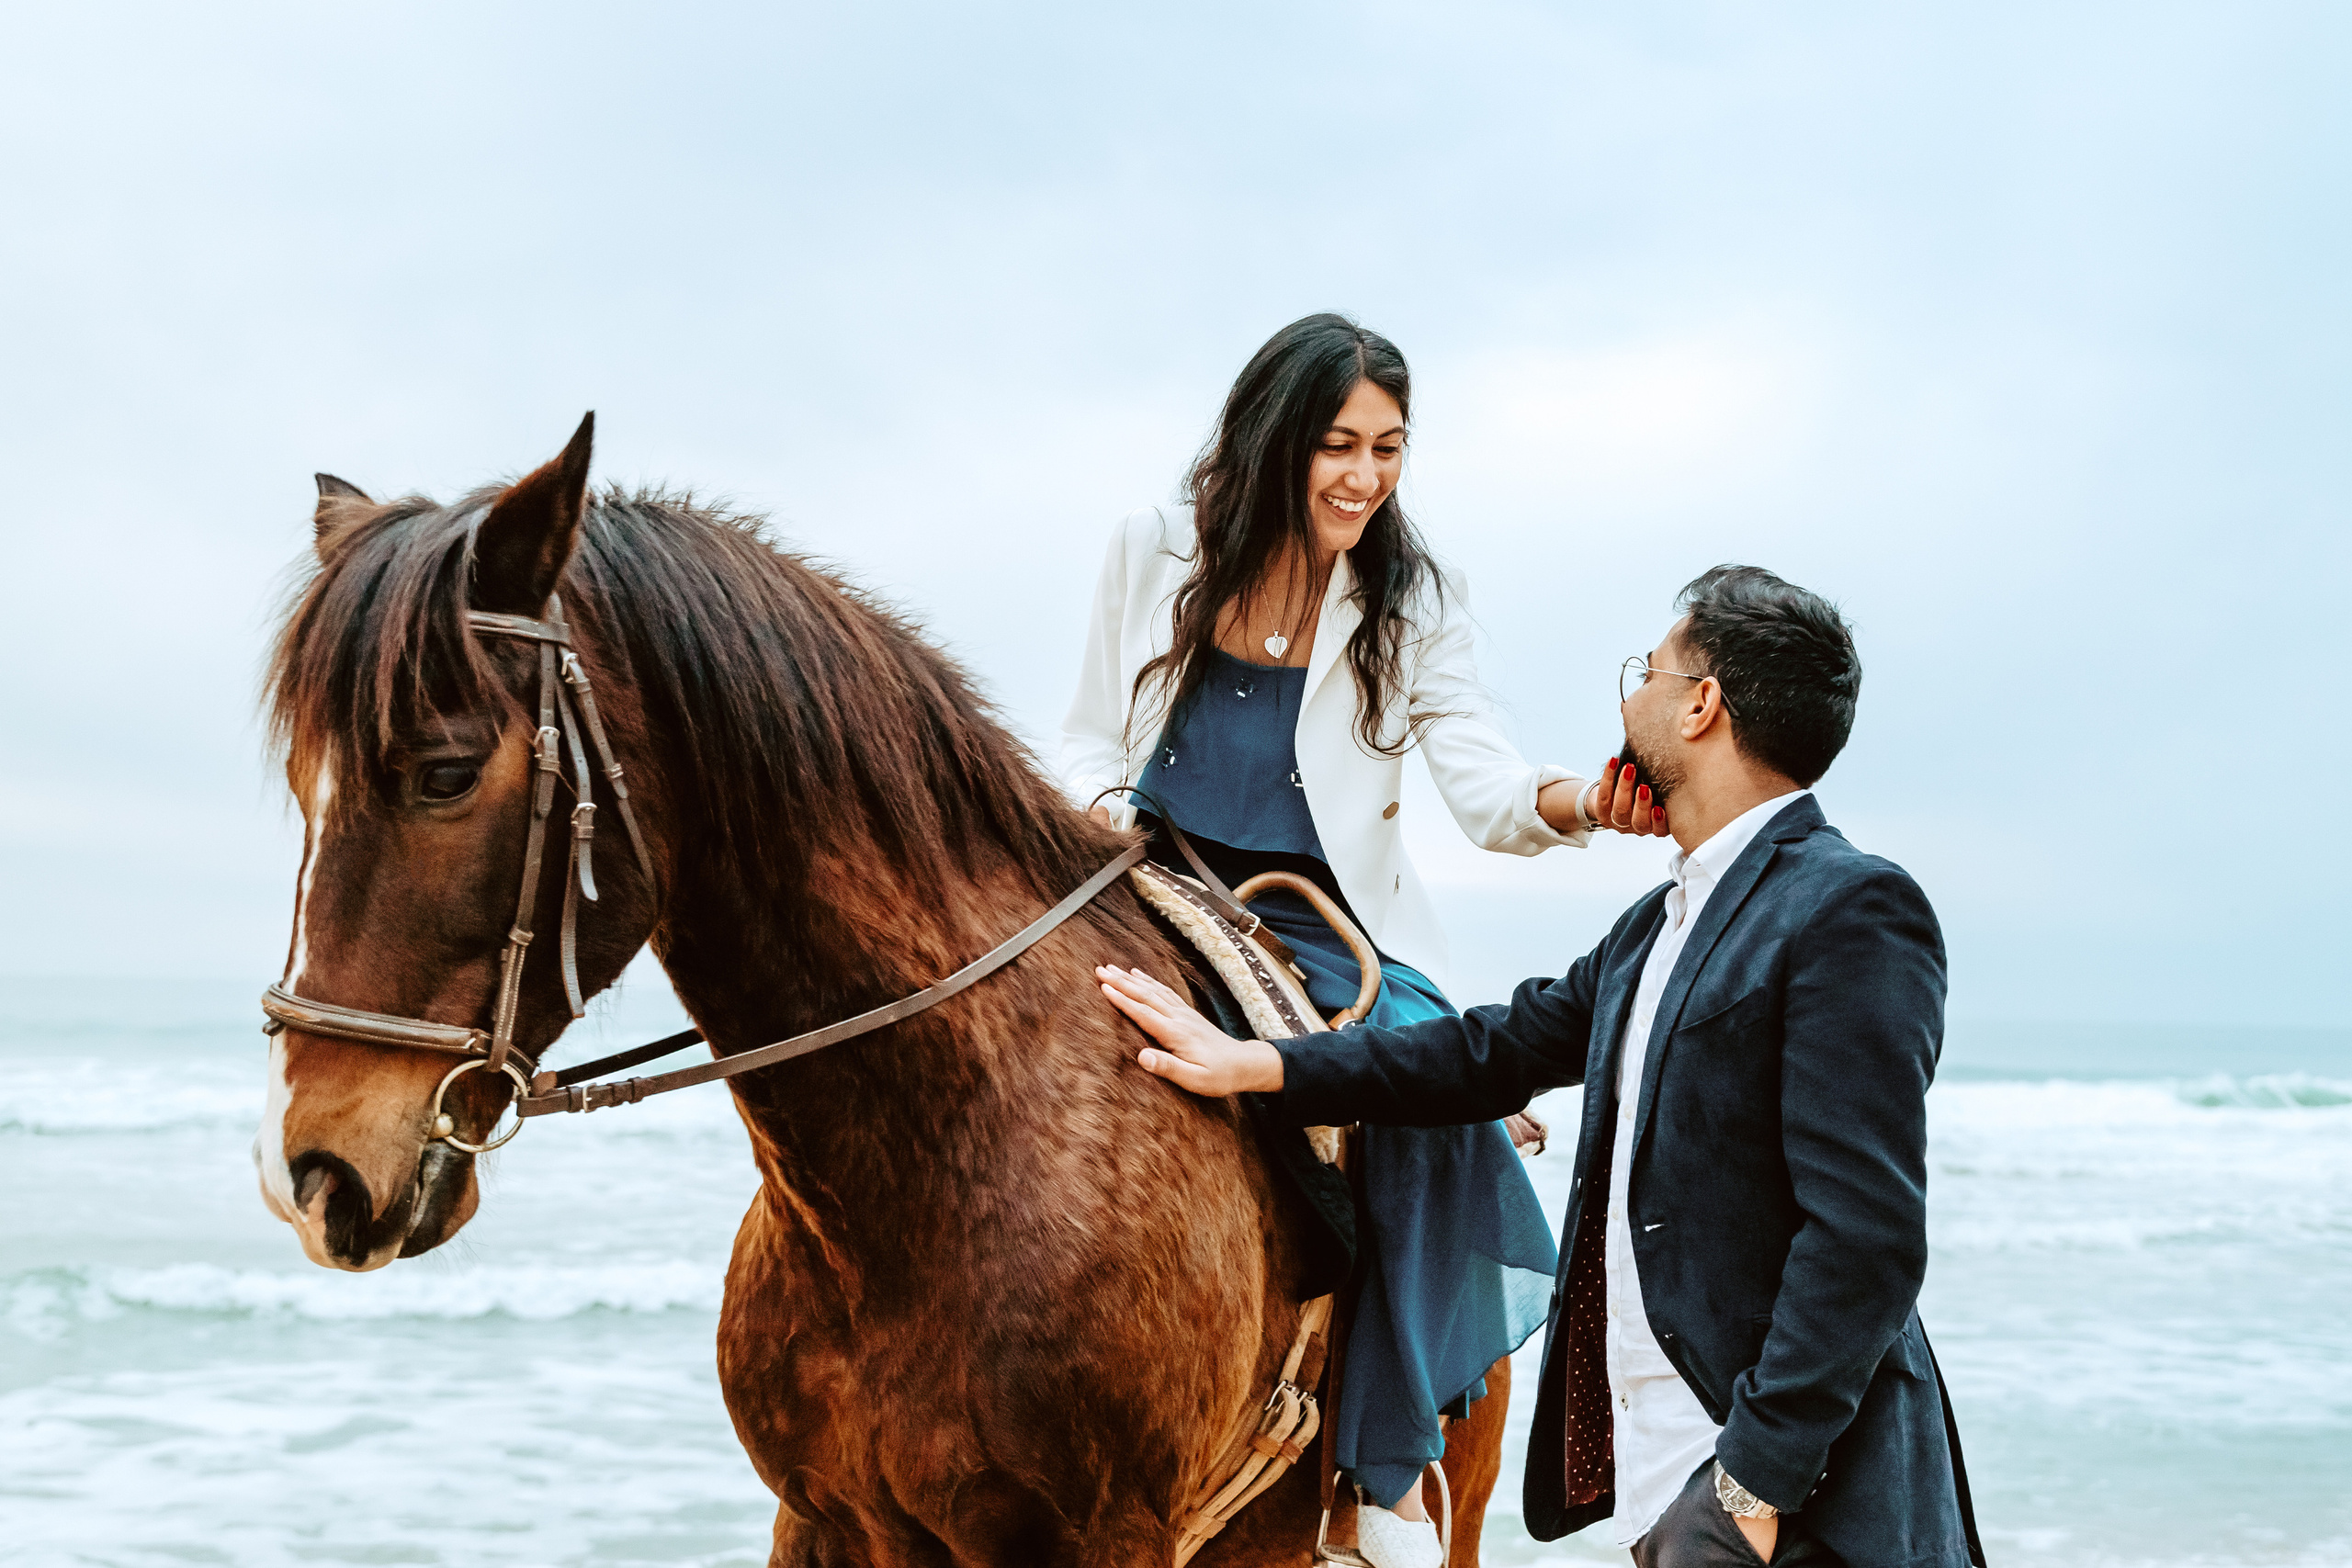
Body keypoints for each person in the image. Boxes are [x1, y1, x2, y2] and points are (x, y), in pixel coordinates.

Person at [1097, 566, 1984, 1568]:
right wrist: (1261, 1064)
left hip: (1797, 1495)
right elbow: (1488, 1052)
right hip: (1668, 1469)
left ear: (1701, 705)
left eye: (1647, 671)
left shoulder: (1849, 907)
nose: (1629, 695)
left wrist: (1752, 1485)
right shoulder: (1656, 926)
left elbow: (1867, 1235)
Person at [1061, 313, 1659, 1568]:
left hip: (1329, 923)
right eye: (1340, 444)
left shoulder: (1408, 594)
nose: (1366, 477)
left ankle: (1382, 1472)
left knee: (1426, 1087)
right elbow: (1087, 735)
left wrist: (1585, 801)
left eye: (1389, 448)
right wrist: (1107, 827)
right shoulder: (1154, 546)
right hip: (1143, 877)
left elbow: (1487, 786)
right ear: (1275, 436)